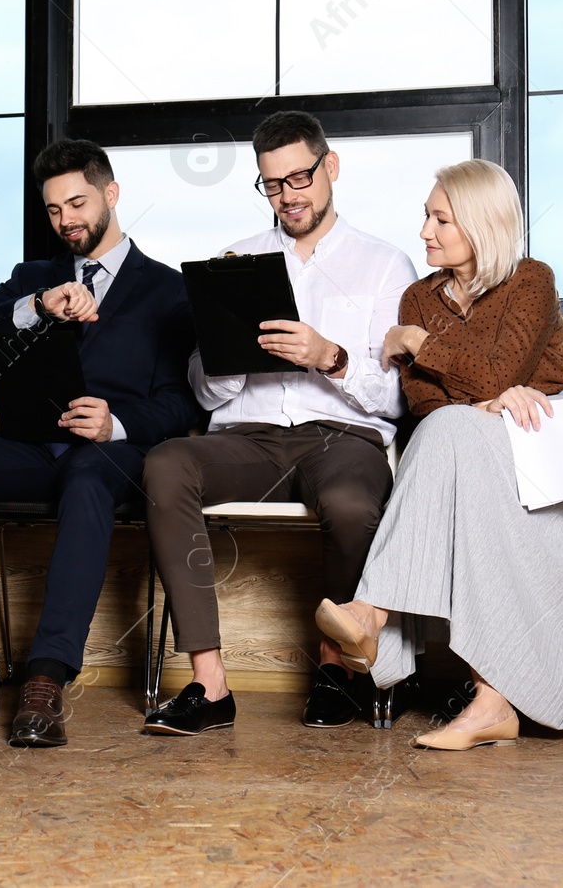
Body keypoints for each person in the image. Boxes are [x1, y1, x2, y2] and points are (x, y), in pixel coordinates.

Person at [315, 159, 563, 750]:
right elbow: (425, 403)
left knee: (451, 435)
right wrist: (484, 402)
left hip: (553, 482)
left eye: (440, 219)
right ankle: (489, 703)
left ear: (482, 225)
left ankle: (372, 614)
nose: (425, 232)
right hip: (470, 470)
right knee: (447, 432)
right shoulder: (418, 295)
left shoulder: (531, 280)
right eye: (426, 217)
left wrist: (417, 343)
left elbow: (495, 372)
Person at [0, 138, 197, 748]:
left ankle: (46, 675)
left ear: (111, 195)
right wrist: (35, 306)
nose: (67, 220)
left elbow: (182, 402)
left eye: (78, 203)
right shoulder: (31, 277)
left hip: (112, 456)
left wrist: (116, 421)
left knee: (89, 477)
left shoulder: (168, 290)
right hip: (34, 448)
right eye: (54, 209)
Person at [142, 110, 417, 736]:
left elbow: (398, 402)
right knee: (164, 464)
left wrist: (331, 358)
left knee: (350, 504)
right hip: (250, 440)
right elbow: (206, 395)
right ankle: (210, 687)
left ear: (331, 169)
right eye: (273, 184)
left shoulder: (385, 265)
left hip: (341, 438)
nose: (288, 196)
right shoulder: (236, 261)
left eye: (300, 178)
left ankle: (336, 671)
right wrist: (228, 349)